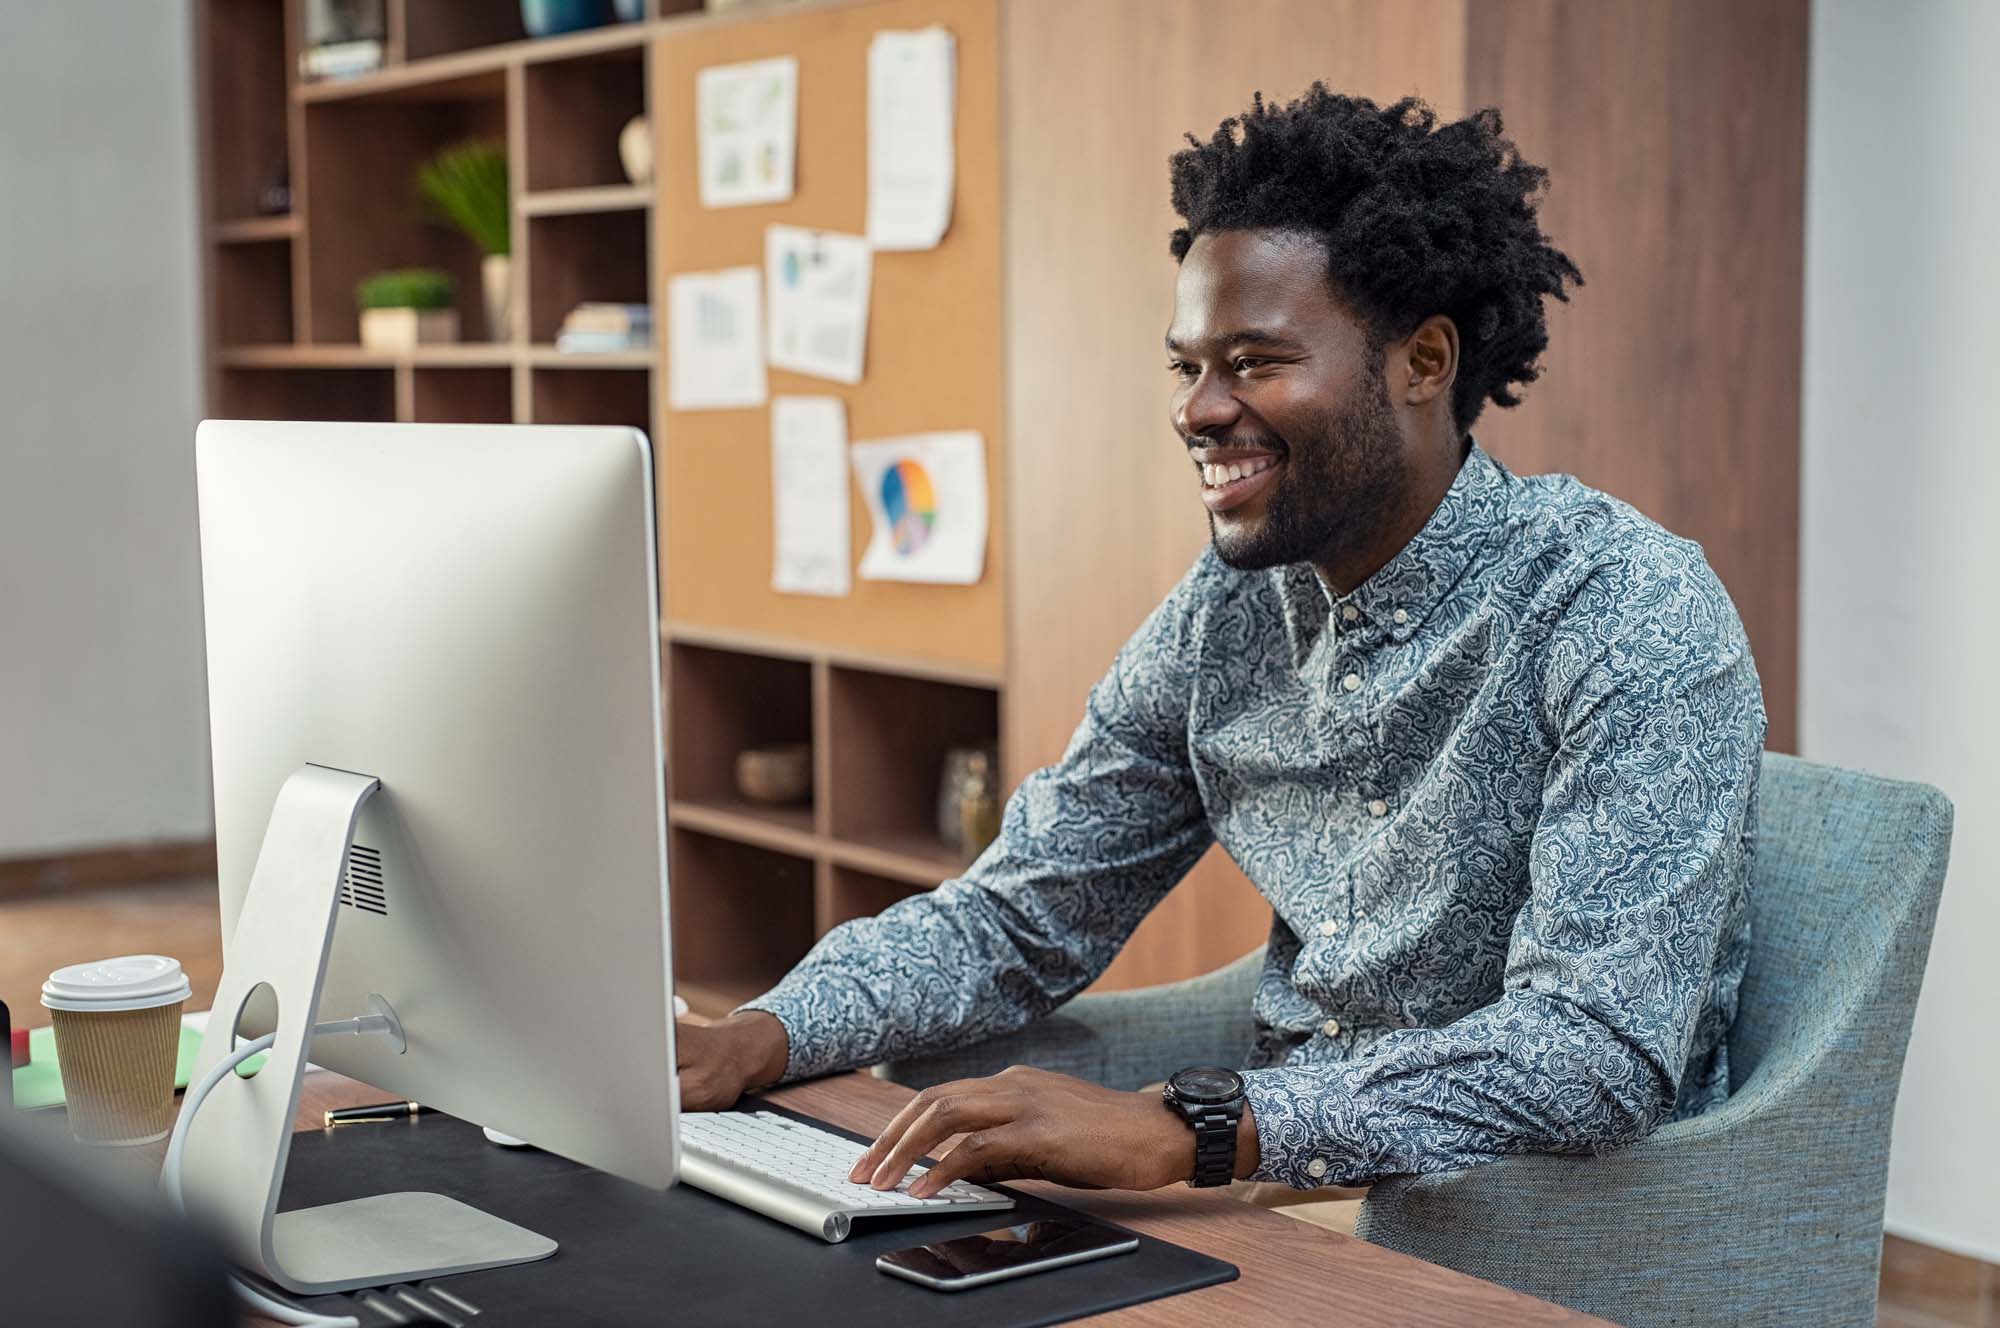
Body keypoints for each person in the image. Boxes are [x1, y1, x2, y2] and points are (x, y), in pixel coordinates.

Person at [675, 87, 1765, 1228]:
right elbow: (1021, 911)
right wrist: (761, 1032)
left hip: (1542, 1214)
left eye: (1252, 361)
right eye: (1186, 366)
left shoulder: (1624, 605)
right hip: (1277, 1175)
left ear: (1423, 360)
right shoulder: (1230, 609)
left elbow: (1591, 1049)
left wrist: (1189, 1125)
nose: (1198, 411)